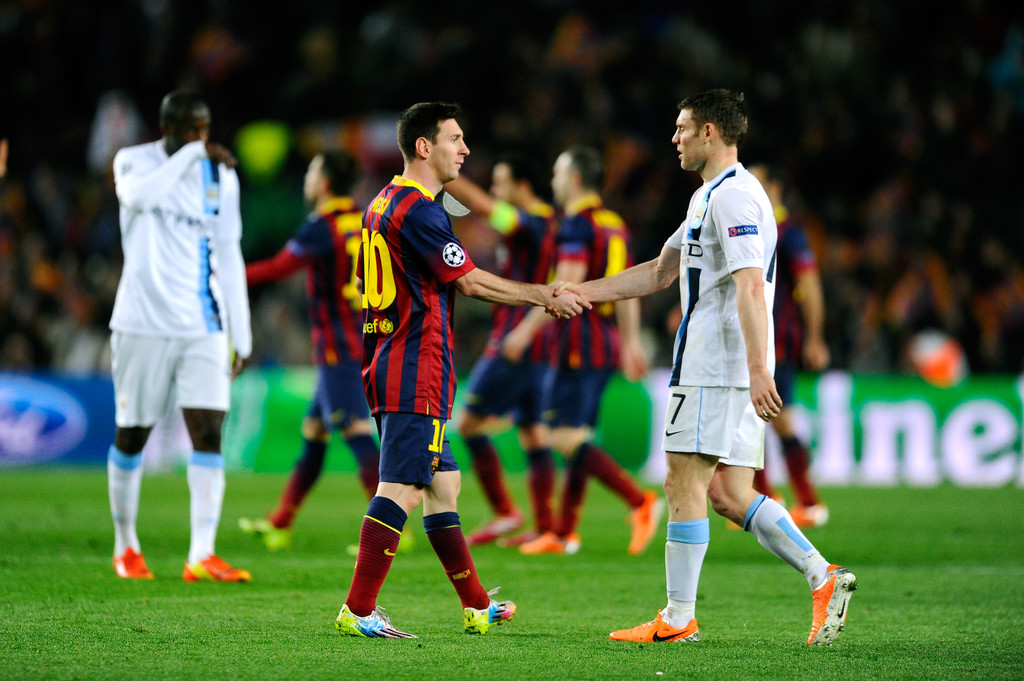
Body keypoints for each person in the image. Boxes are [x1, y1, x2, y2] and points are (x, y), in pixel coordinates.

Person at [554, 89, 856, 645]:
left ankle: (677, 617)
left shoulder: (735, 198)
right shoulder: (709, 197)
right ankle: (824, 575)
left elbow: (748, 287)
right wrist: (581, 291)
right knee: (729, 494)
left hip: (716, 365)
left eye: (683, 128)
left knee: (681, 482)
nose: (674, 139)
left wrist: (759, 368)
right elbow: (659, 272)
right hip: (726, 367)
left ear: (711, 133)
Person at [334, 101, 588, 639]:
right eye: (455, 139)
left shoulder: (380, 203)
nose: (465, 150)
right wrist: (542, 295)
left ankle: (476, 605)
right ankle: (358, 610)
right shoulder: (421, 209)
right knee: (401, 486)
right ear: (424, 147)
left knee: (444, 484)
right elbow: (469, 282)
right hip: (414, 365)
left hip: (391, 358)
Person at [107, 90, 252, 582]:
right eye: (191, 129)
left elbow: (229, 251)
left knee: (209, 430)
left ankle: (202, 554)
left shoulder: (222, 176)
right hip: (141, 322)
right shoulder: (134, 161)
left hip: (203, 323)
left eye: (204, 129)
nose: (200, 138)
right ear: (166, 128)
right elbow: (140, 198)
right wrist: (192, 153)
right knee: (133, 434)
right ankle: (126, 546)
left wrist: (242, 330)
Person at [504, 145, 662, 557]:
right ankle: (564, 532)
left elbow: (567, 286)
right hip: (605, 338)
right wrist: (628, 341)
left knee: (561, 435)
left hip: (578, 337)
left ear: (574, 179)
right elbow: (629, 288)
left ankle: (638, 500)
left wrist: (524, 330)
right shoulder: (614, 224)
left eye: (557, 173)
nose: (553, 181)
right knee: (580, 436)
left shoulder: (575, 224)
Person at [238, 150, 386, 551]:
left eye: (309, 170)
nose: (306, 178)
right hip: (367, 335)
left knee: (355, 432)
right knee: (315, 432)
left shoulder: (321, 226)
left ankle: (393, 530)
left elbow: (277, 268)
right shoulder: (367, 217)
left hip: (338, 346)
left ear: (322, 184)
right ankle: (282, 522)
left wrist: (227, 275)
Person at [444, 153, 560, 547]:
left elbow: (480, 206)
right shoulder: (541, 224)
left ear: (521, 186)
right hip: (536, 341)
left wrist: (441, 174)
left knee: (468, 425)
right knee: (532, 433)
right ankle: (545, 527)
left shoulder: (532, 221)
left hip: (516, 340)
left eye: (500, 182)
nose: (495, 191)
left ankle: (504, 511)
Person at [748, 163, 830, 528]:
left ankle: (807, 501)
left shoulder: (788, 232)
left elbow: (809, 286)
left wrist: (814, 337)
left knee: (774, 420)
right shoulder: (756, 227)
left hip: (777, 341)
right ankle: (768, 499)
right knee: (753, 421)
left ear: (776, 187)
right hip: (756, 340)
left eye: (759, 181)